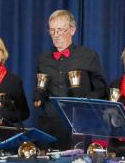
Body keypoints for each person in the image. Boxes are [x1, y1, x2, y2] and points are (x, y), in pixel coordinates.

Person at [34, 9, 106, 148]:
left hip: (78, 125)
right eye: (52, 30)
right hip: (48, 126)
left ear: (72, 30)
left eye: (60, 30)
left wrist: (84, 100)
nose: (56, 35)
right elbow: (40, 90)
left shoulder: (88, 56)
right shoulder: (43, 60)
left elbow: (101, 89)